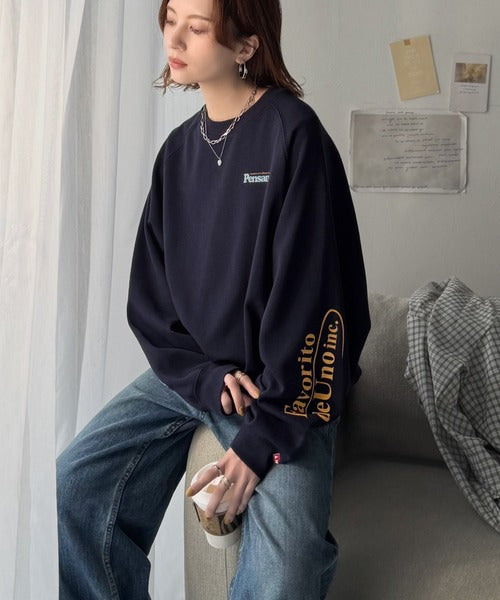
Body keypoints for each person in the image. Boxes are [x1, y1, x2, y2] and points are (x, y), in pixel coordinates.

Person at [56, 0, 370, 598]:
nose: (174, 38)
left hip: (283, 389)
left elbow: (316, 301)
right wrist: (202, 376)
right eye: (170, 18)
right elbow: (151, 301)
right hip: (194, 376)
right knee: (73, 485)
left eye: (196, 28)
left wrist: (264, 436)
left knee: (284, 575)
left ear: (247, 46)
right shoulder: (177, 153)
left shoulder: (293, 134)